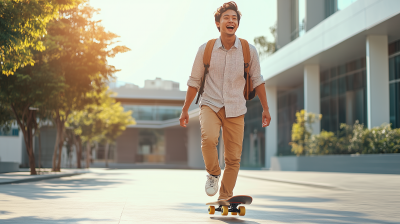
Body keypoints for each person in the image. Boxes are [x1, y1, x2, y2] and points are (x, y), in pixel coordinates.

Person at [179, 1, 271, 201]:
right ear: (218, 23)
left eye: (234, 18)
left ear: (237, 23)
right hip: (210, 103)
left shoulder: (249, 50)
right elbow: (194, 81)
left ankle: (225, 197)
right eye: (226, 18)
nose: (231, 21)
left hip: (236, 108)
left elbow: (258, 80)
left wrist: (266, 108)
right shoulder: (206, 49)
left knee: (233, 158)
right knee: (209, 139)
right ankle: (213, 173)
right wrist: (185, 109)